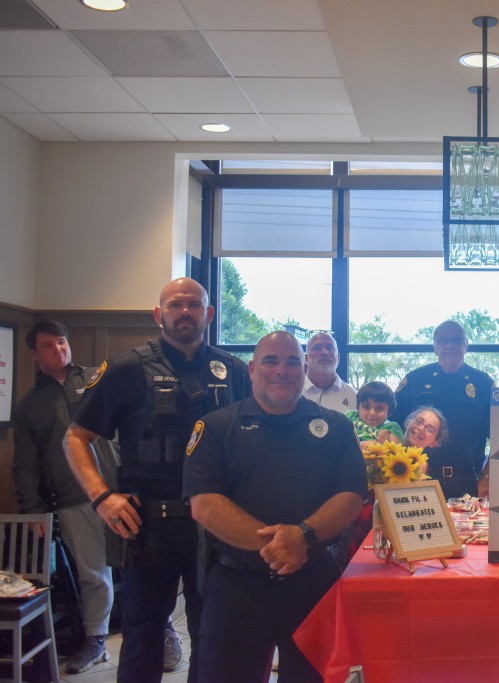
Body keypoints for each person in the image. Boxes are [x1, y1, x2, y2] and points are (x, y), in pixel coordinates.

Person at [64, 277, 251, 683]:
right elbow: (75, 439)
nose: (185, 312)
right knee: (143, 641)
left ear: (209, 314)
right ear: (158, 314)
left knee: (214, 637)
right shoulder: (126, 369)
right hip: (148, 526)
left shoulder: (233, 370)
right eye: (175, 304)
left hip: (215, 528)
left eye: (194, 305)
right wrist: (101, 498)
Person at [184, 331, 366, 682]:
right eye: (271, 361)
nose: (281, 370)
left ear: (305, 367)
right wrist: (280, 547)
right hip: (236, 587)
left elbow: (351, 496)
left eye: (292, 361)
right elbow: (204, 504)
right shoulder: (215, 427)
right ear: (252, 369)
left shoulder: (337, 426)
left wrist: (303, 537)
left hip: (314, 582)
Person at [13, 321, 120, 674]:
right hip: (75, 499)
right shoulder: (30, 406)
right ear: (34, 354)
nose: (58, 349)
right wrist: (33, 512)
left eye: (62, 342)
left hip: (125, 490)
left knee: (147, 566)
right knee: (94, 573)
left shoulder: (97, 379)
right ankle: (96, 639)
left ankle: (161, 627)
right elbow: (25, 465)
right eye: (47, 345)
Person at [394, 321, 493, 500]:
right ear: (435, 346)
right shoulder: (415, 380)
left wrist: (486, 477)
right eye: (444, 341)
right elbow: (393, 426)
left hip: (467, 481)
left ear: (466, 345)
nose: (450, 345)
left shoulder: (483, 384)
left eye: (456, 340)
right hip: (417, 478)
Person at [302, 331, 357, 412]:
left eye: (330, 348)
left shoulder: (354, 398)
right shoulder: (293, 394)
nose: (324, 352)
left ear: (338, 358)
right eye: (317, 348)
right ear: (306, 358)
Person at [345, 381, 403, 445]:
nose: (372, 413)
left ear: (389, 411)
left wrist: (385, 443)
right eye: (366, 407)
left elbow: (396, 450)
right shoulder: (350, 415)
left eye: (379, 408)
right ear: (358, 407)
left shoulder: (392, 427)